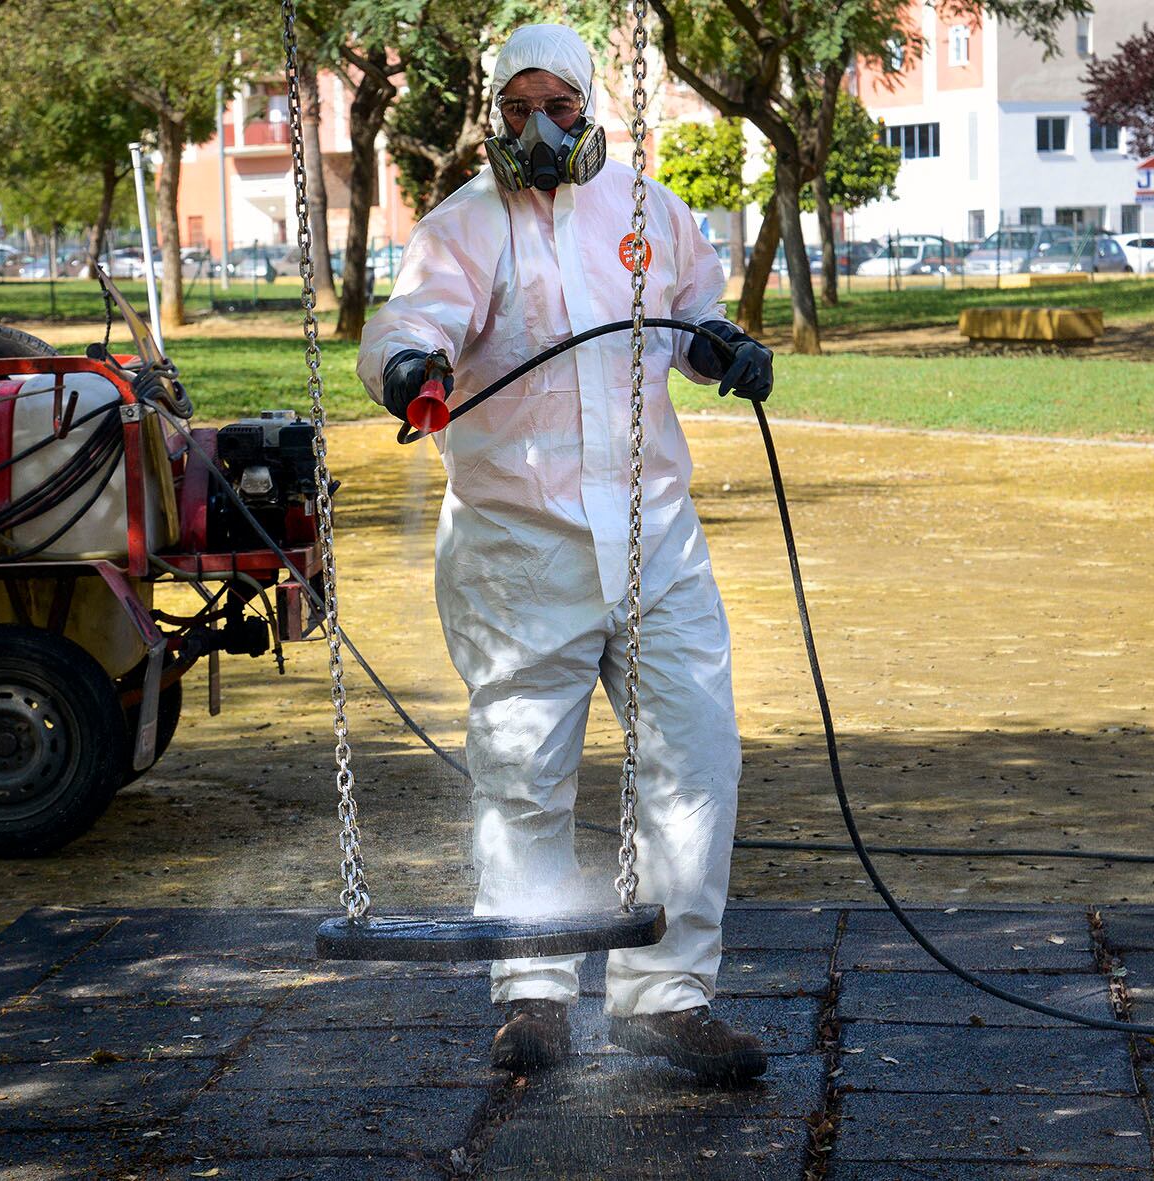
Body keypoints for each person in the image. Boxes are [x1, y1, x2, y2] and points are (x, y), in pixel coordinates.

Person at [357, 23, 774, 1085]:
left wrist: (723, 345)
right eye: (517, 109)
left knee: (696, 758)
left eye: (558, 108)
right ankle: (534, 992)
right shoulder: (463, 225)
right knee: (523, 774)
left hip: (653, 537)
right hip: (519, 547)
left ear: (591, 108)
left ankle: (666, 998)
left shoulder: (647, 210)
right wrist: (409, 367)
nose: (538, 128)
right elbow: (410, 323)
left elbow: (693, 315)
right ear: (494, 114)